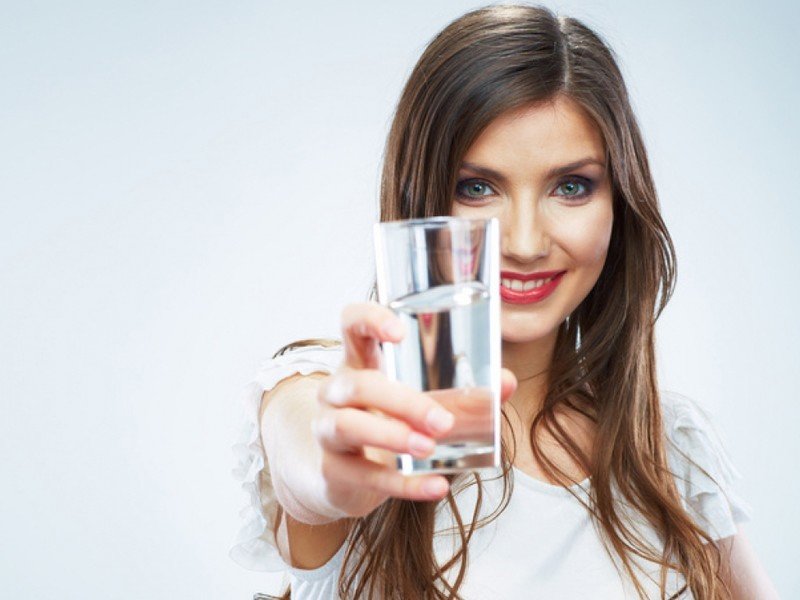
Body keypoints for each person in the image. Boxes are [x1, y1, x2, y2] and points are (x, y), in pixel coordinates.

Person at [230, 4, 779, 599]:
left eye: (571, 186)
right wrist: (333, 474)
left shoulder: (665, 444)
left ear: (619, 203)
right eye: (477, 188)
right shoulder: (344, 400)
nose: (523, 243)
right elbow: (308, 449)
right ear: (421, 198)